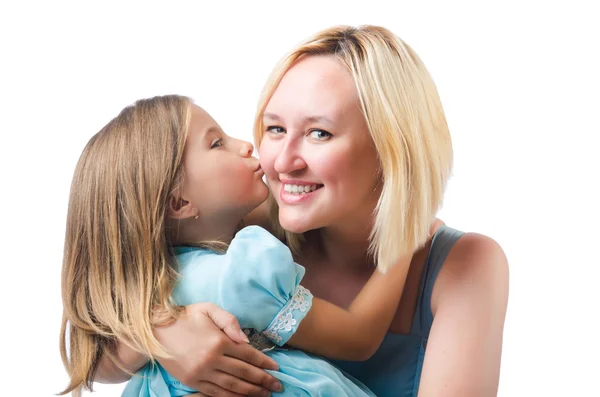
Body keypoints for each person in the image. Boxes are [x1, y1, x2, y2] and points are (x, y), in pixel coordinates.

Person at [96, 25, 509, 397]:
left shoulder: (464, 264)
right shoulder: (241, 232)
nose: (281, 161)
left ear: (393, 150)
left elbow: (358, 337)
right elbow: (90, 356)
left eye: (319, 133)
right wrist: (164, 334)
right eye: (275, 128)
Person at [59, 95, 415, 396]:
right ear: (179, 204)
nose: (246, 144)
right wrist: (407, 235)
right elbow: (356, 337)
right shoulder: (238, 275)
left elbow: (90, 361)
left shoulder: (149, 280)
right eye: (217, 143)